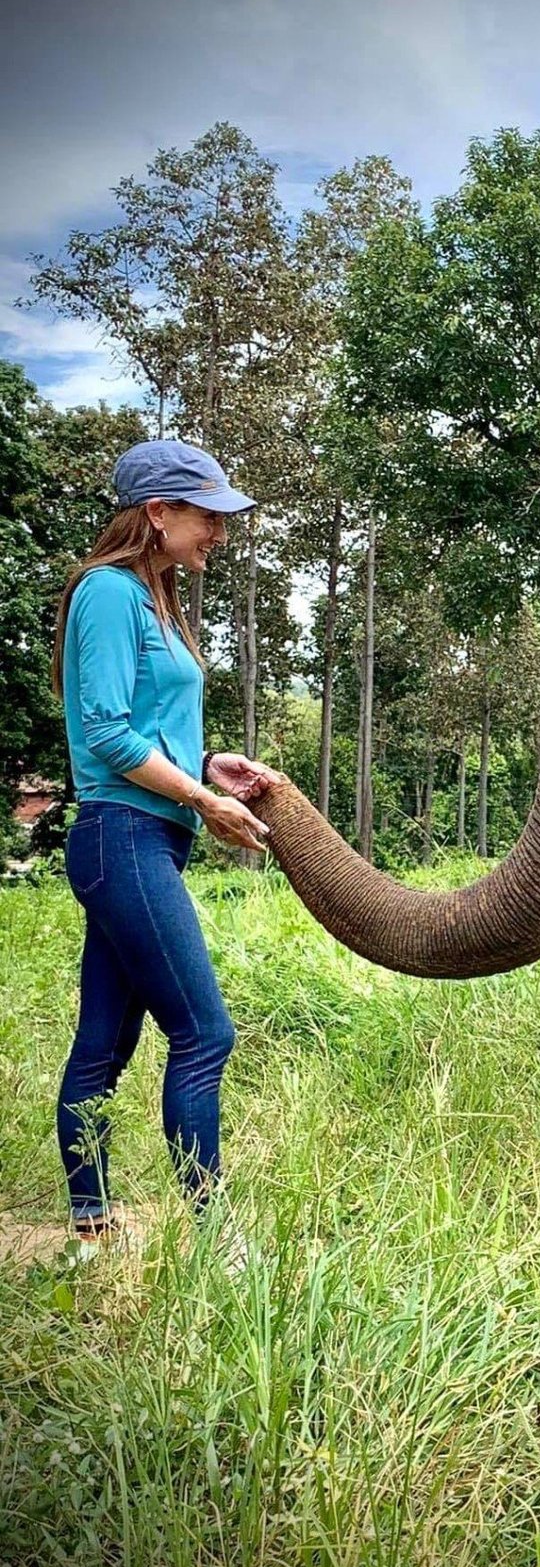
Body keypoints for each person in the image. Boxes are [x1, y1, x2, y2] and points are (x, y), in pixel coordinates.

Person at [51, 440, 283, 1252]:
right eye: (207, 516)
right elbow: (108, 735)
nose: (218, 532)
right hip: (125, 837)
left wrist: (206, 763)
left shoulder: (155, 600)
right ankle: (218, 1240)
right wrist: (201, 799)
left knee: (105, 1044)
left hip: (142, 836)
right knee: (205, 1034)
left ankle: (90, 1228)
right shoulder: (109, 594)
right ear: (158, 512)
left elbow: (142, 724)